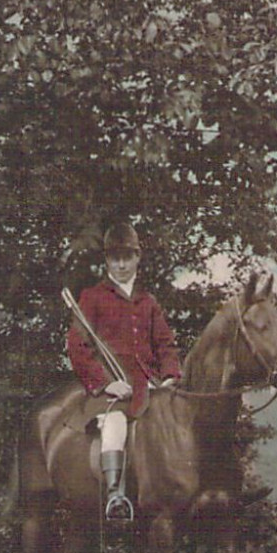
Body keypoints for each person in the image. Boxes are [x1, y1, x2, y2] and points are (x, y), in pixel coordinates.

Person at [66, 222, 183, 520]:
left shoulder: (148, 302)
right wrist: (106, 384)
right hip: (111, 393)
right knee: (115, 424)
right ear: (106, 261)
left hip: (149, 387)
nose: (120, 264)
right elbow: (78, 348)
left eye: (126, 257)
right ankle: (115, 496)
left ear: (137, 258)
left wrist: (170, 375)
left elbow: (166, 344)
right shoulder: (92, 297)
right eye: (114, 258)